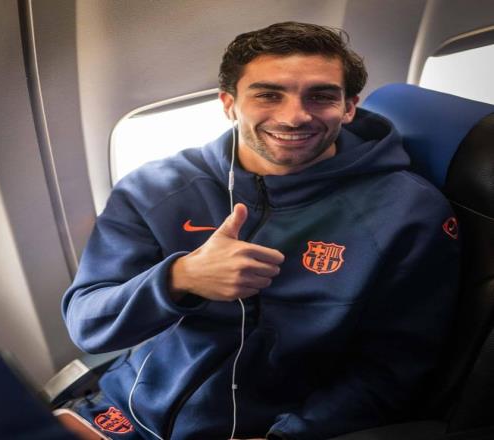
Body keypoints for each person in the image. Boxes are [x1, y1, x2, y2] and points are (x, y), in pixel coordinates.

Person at [62, 22, 459, 440]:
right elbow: (88, 325)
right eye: (268, 95)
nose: (294, 116)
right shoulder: (155, 189)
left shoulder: (407, 211)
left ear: (348, 107)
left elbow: (393, 368)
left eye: (321, 96)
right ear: (229, 103)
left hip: (271, 429)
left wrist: (289, 435)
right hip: (128, 407)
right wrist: (181, 278)